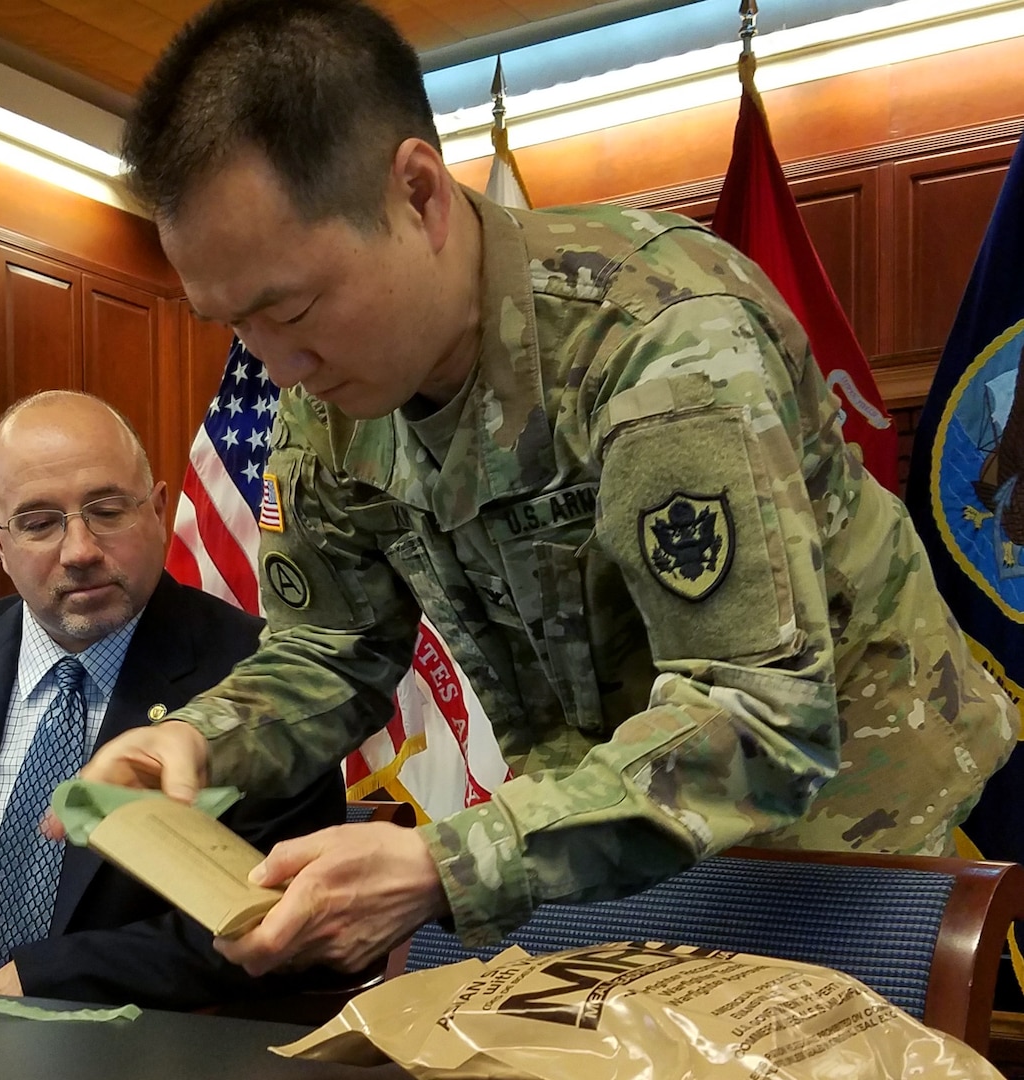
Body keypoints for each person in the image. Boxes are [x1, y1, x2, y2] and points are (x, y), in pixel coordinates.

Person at [61, 0, 1019, 980]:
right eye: (236, 327)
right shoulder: (331, 399)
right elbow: (336, 647)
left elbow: (756, 718)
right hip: (598, 820)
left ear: (420, 196)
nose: (279, 364)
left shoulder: (665, 343)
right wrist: (198, 742)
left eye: (292, 307)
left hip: (845, 830)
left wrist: (449, 862)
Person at [0, 390, 346, 1007]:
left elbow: (273, 912)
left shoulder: (264, 677)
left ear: (157, 510)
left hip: (139, 1042)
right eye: (40, 523)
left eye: (105, 510)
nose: (79, 551)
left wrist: (49, 980)